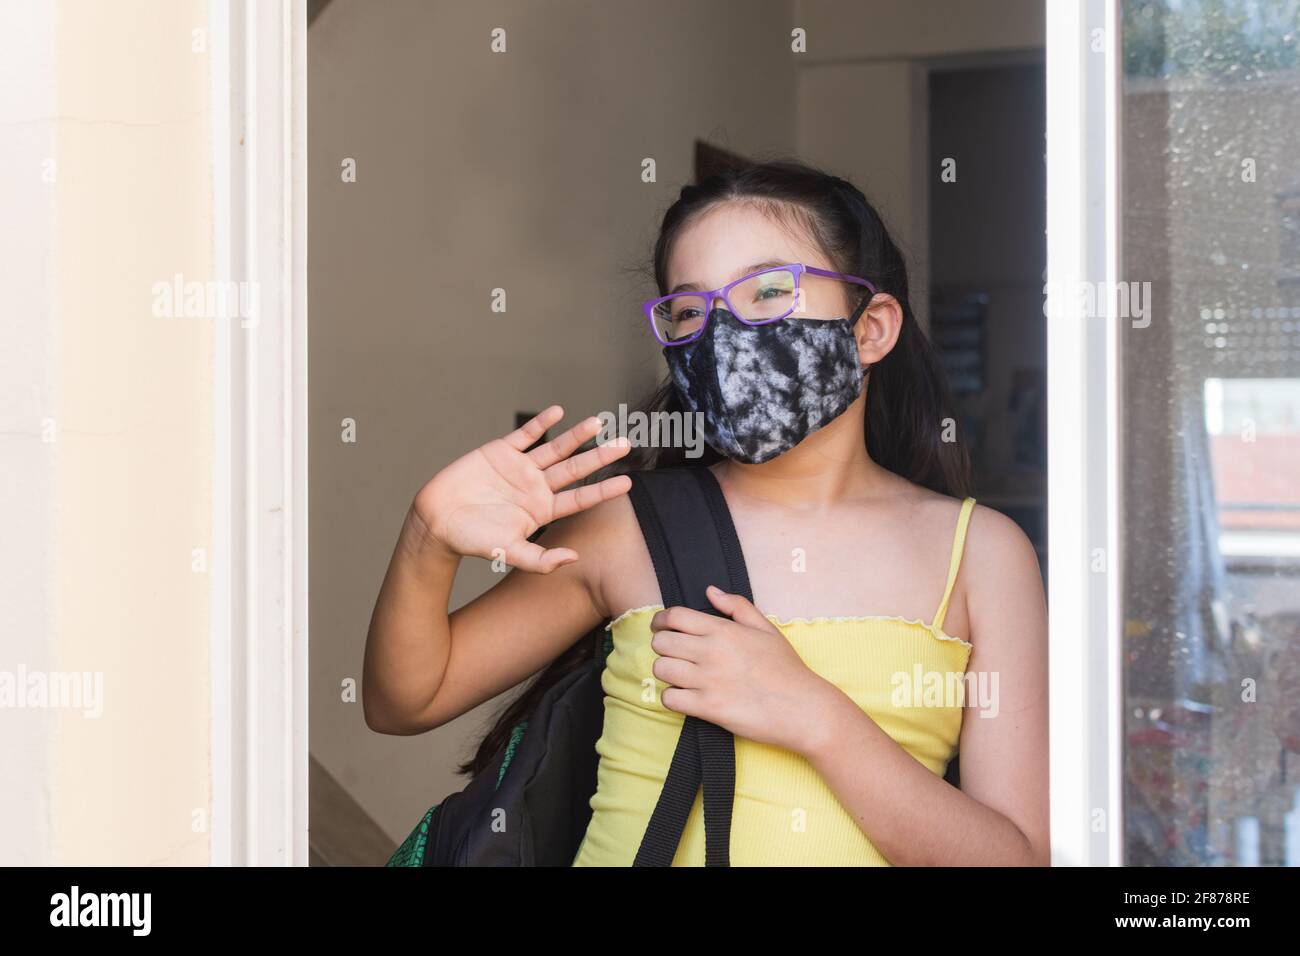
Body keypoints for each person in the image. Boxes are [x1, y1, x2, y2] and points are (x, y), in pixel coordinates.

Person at [363, 159, 1049, 866]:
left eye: (768, 291)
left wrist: (813, 714)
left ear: (870, 328)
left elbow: (1014, 858)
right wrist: (428, 539)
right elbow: (405, 702)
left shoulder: (981, 553)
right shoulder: (627, 525)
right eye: (691, 311)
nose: (725, 334)